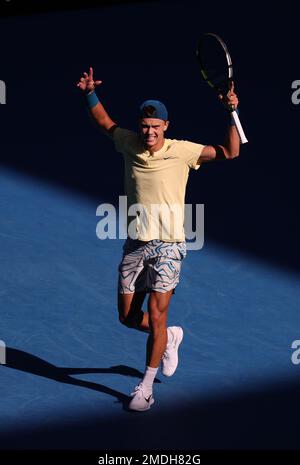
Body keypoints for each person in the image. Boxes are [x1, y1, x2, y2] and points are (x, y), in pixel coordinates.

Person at [77, 67, 240, 411]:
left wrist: (231, 110)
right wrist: (89, 93)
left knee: (157, 313)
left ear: (167, 126)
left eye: (156, 127)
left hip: (169, 245)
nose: (149, 132)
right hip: (136, 243)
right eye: (145, 126)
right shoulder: (128, 142)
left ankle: (146, 389)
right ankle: (169, 337)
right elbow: (104, 122)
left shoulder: (183, 151)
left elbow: (231, 151)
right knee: (126, 316)